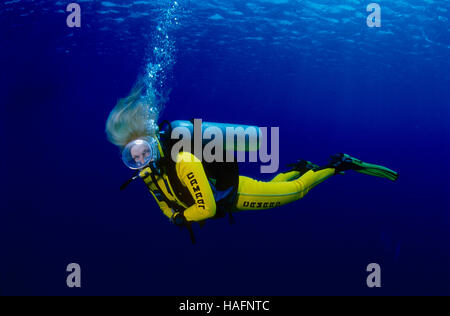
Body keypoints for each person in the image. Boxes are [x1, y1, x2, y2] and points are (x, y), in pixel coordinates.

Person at [106, 84, 398, 243]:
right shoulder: (147, 172)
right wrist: (172, 215)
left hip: (235, 196)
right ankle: (300, 167)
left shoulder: (183, 160)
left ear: (150, 139)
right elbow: (164, 201)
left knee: (296, 192)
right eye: (132, 155)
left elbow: (205, 208)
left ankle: (339, 164)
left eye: (143, 150)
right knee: (272, 185)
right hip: (226, 194)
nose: (141, 159)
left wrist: (182, 218)